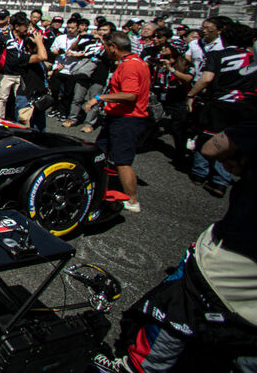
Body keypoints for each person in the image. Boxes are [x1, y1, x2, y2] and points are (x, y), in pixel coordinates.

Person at [94, 121, 257, 373]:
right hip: (242, 291)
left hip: (223, 274)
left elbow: (213, 148)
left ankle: (135, 368)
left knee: (171, 324)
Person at [186, 22, 257, 197]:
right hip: (247, 105)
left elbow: (207, 78)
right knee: (232, 139)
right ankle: (221, 180)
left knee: (206, 135)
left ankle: (199, 173)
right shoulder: (253, 57)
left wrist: (191, 94)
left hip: (220, 103)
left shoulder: (217, 55)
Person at [85, 31, 150, 213]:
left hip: (127, 119)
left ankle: (132, 199)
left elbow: (130, 94)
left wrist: (98, 97)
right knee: (99, 151)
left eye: (105, 46)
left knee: (122, 161)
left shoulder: (130, 66)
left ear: (113, 47)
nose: (104, 50)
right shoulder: (135, 62)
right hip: (118, 117)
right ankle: (97, 183)